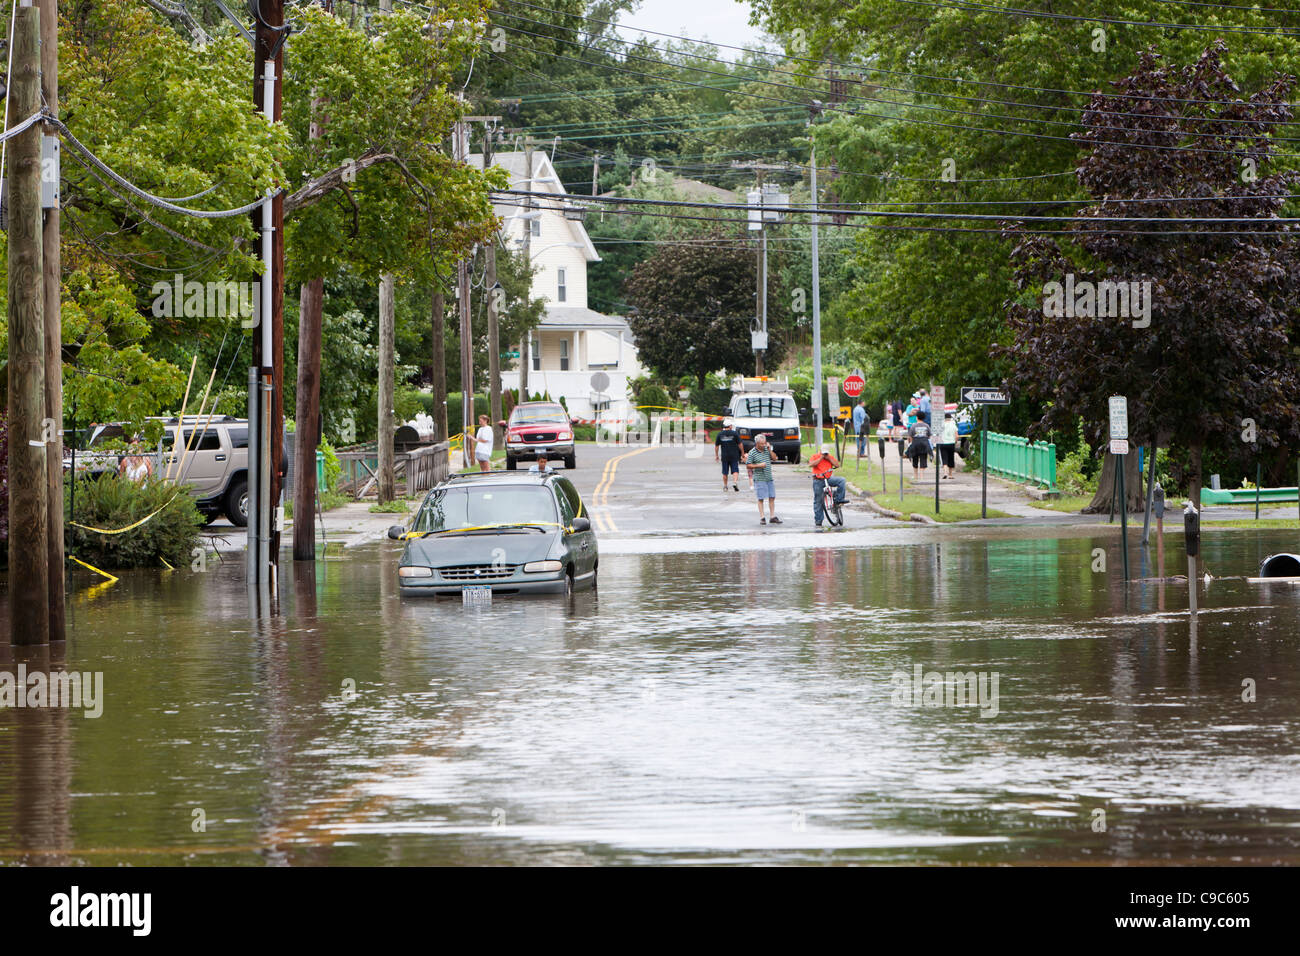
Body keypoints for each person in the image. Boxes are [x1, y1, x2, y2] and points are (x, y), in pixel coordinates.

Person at [745, 433, 781, 525]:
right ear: (757, 443)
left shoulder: (766, 449)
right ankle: (762, 517)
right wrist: (758, 465)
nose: (763, 445)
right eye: (762, 444)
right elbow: (748, 465)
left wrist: (769, 450)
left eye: (764, 443)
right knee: (761, 498)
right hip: (760, 478)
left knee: (772, 496)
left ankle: (772, 516)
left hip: (769, 477)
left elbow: (774, 458)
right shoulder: (752, 452)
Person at [810, 444, 847, 528]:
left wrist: (829, 458)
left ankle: (839, 500)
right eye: (823, 453)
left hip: (828, 478)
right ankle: (818, 520)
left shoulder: (830, 457)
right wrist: (821, 458)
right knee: (818, 500)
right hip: (818, 480)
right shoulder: (815, 456)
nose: (825, 454)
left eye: (826, 453)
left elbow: (837, 465)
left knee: (842, 480)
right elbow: (811, 464)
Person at [714, 417, 742, 492]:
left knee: (725, 472)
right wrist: (742, 453)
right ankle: (735, 482)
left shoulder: (720, 434)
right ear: (730, 426)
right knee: (735, 470)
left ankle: (725, 486)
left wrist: (716, 455)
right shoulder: (734, 433)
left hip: (725, 456)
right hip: (734, 455)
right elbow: (740, 444)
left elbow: (716, 446)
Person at [906, 414, 932, 480]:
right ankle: (922, 477)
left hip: (915, 444)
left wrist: (911, 443)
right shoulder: (926, 426)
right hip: (924, 444)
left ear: (917, 417)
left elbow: (910, 436)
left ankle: (915, 476)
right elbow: (929, 435)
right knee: (923, 459)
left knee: (915, 459)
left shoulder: (913, 426)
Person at [937, 411, 959, 479]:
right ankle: (950, 474)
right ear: (950, 418)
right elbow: (957, 436)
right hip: (951, 443)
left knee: (944, 458)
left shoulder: (941, 425)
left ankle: (945, 473)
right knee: (951, 458)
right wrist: (955, 442)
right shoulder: (953, 424)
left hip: (943, 443)